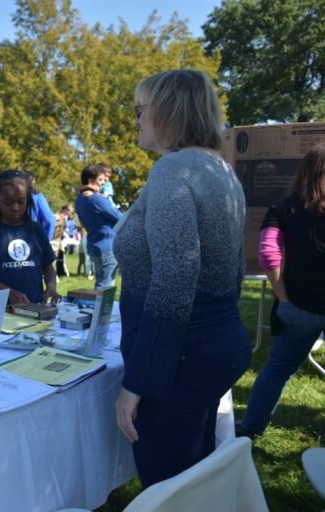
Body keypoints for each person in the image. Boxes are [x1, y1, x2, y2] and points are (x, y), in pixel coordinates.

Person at [113, 69, 251, 488]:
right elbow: (235, 269)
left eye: (141, 109)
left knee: (169, 486)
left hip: (182, 359)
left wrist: (140, 381)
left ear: (169, 110)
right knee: (195, 479)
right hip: (213, 345)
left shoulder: (174, 170)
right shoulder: (220, 169)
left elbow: (176, 276)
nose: (136, 119)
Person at [236, 144, 325, 439]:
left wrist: (283, 296)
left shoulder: (282, 209)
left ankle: (251, 427)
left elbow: (268, 255)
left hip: (297, 306)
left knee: (278, 368)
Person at [0, 170, 60, 305]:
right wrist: (8, 292)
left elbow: (48, 266)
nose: (16, 208)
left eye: (21, 202)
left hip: (33, 306)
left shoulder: (35, 230)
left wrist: (51, 286)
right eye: (8, 203)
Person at [74, 164, 122, 289]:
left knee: (100, 283)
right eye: (100, 180)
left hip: (94, 244)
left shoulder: (79, 199)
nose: (103, 183)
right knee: (105, 286)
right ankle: (101, 309)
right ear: (90, 181)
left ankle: (98, 308)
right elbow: (119, 217)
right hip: (107, 245)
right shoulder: (97, 200)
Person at [24, 171, 56, 240]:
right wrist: (46, 242)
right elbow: (50, 220)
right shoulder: (37, 198)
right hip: (33, 240)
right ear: (32, 182)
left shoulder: (11, 198)